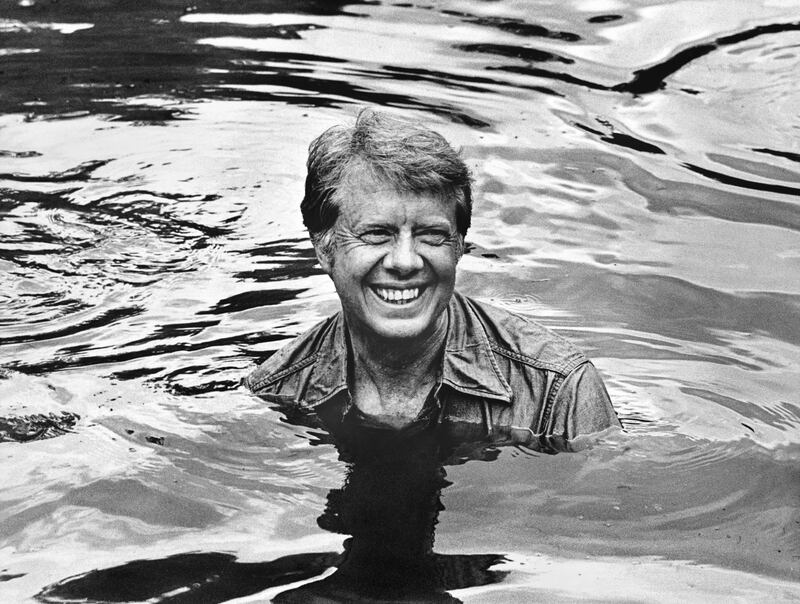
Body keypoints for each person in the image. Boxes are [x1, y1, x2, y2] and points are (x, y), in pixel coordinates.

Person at [246, 109, 620, 452]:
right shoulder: (275, 392)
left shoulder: (558, 393)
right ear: (325, 250)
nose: (405, 261)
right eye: (377, 234)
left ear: (459, 248)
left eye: (431, 235)